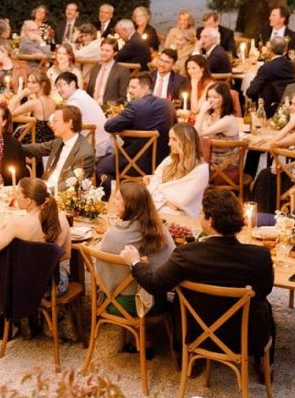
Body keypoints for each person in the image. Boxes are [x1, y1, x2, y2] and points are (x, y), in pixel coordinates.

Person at [121, 190, 275, 382]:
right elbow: (265, 290)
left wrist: (135, 262)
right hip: (248, 339)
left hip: (197, 334)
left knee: (179, 296)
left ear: (210, 221)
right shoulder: (260, 256)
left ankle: (188, 358)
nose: (199, 216)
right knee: (264, 304)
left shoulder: (186, 254)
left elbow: (154, 284)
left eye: (201, 213)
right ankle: (264, 365)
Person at [98, 181, 175, 323]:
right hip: (156, 303)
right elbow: (172, 264)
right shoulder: (161, 230)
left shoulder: (113, 235)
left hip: (119, 304)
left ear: (129, 205)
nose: (114, 202)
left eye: (117, 198)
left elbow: (101, 272)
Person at [0, 178, 71, 296]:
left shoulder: (16, 225)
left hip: (24, 285)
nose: (15, 196)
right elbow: (67, 254)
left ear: (28, 201)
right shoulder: (61, 216)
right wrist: (46, 263)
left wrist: (3, 225)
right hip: (54, 284)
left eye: (18, 193)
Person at [100, 73, 174, 180]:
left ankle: (119, 194)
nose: (129, 91)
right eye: (129, 87)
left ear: (145, 88)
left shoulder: (135, 106)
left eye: (133, 87)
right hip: (162, 163)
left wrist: (121, 122)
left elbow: (108, 126)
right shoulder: (168, 105)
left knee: (100, 167)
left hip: (133, 162)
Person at [22, 106, 96, 190]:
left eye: (55, 121)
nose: (51, 124)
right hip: (45, 185)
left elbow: (70, 184)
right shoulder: (60, 141)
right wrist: (11, 145)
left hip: (59, 195)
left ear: (69, 123)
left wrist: (43, 192)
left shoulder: (85, 154)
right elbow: (37, 148)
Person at [148, 123, 210, 219]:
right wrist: (165, 201)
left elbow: (180, 201)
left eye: (174, 139)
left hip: (182, 215)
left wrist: (159, 190)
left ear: (186, 142)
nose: (169, 143)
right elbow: (151, 187)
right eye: (170, 138)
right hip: (161, 207)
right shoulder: (170, 159)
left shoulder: (202, 170)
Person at [53, 71, 110, 161]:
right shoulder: (82, 95)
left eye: (61, 86)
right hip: (102, 145)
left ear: (72, 84)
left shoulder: (76, 100)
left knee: (49, 154)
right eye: (57, 87)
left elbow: (61, 123)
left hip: (94, 147)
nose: (59, 90)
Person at [194, 81, 241, 169]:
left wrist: (202, 112)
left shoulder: (227, 120)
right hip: (209, 165)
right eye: (208, 97)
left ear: (225, 98)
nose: (210, 100)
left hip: (224, 169)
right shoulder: (211, 116)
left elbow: (195, 134)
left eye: (215, 97)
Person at [245, 37, 295, 116]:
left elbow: (251, 92)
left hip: (268, 109)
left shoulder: (267, 68)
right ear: (285, 51)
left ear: (270, 50)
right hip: (288, 106)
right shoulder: (291, 65)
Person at [8, 71, 56, 144]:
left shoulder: (35, 103)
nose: (29, 85)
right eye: (28, 82)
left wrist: (21, 95)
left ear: (43, 84)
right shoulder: (51, 100)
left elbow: (7, 113)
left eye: (33, 82)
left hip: (36, 142)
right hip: (50, 139)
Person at [84, 38, 130, 105]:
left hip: (109, 110)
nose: (103, 53)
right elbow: (89, 92)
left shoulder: (122, 71)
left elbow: (123, 97)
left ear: (115, 53)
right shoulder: (95, 68)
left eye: (107, 51)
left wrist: (109, 106)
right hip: (92, 107)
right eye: (102, 50)